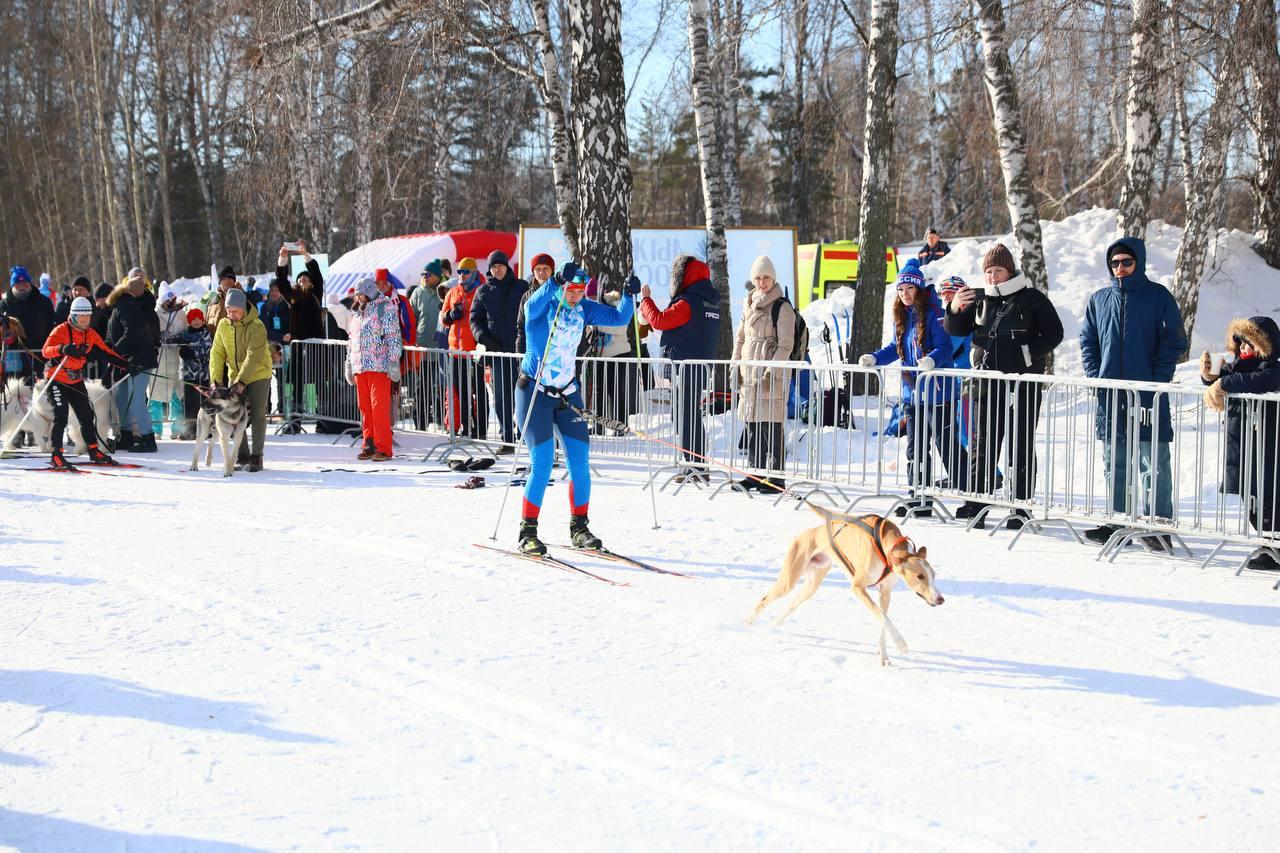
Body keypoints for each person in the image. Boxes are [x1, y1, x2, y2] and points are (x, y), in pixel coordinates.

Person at [514, 262, 638, 555]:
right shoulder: (542, 308)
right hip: (534, 392)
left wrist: (629, 295)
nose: (576, 296)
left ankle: (579, 528)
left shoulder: (583, 308)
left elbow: (620, 317)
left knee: (580, 464)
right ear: (562, 288)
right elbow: (531, 306)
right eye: (572, 290)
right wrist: (556, 280)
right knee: (543, 464)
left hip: (568, 395)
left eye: (581, 292)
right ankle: (527, 532)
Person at [945, 244, 1063, 528]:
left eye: (998, 270)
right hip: (988, 384)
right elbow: (955, 329)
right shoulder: (981, 299)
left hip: (1023, 383)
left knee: (1021, 443)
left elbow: (1054, 332)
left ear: (1010, 271)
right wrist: (954, 308)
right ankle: (976, 503)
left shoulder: (1032, 298)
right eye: (988, 271)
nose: (993, 276)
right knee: (982, 443)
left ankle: (1020, 507)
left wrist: (1028, 355)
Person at [1079, 236, 1186, 548]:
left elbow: (1174, 341)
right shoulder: (1099, 299)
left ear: (1139, 262)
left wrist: (1157, 380)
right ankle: (1118, 521)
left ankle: (1158, 526)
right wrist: (1096, 377)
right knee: (1115, 461)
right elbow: (1088, 340)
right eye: (1115, 263)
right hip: (1111, 395)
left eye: (1127, 261)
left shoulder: (1158, 296)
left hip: (1149, 394)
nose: (1120, 268)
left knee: (1154, 462)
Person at [859, 259, 969, 516]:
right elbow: (894, 348)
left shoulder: (934, 313)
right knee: (915, 448)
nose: (905, 293)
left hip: (939, 393)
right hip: (913, 395)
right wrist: (875, 358)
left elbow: (945, 347)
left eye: (909, 288)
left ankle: (971, 496)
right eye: (900, 289)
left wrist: (931, 360)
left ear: (919, 288)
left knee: (946, 445)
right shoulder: (902, 316)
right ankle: (918, 498)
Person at [1202, 317, 1280, 569]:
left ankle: (1274, 546)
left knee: (1269, 498)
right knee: (1251, 497)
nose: (1243, 348)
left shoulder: (1272, 368)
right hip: (1242, 443)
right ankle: (1268, 544)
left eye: (1249, 343)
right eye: (1241, 343)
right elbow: (1224, 378)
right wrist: (1210, 375)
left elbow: (1263, 379)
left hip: (1267, 444)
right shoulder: (1238, 366)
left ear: (1263, 346)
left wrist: (1224, 383)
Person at [638, 254, 722, 483]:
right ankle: (695, 464)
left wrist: (646, 300)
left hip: (686, 366)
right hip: (699, 365)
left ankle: (695, 466)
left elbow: (659, 320)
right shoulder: (711, 301)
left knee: (685, 416)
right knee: (688, 414)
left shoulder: (688, 302)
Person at [39, 297, 132, 470]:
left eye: (87, 316)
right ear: (73, 315)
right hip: (56, 377)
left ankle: (94, 450)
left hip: (74, 379)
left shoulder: (90, 334)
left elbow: (106, 352)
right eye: (81, 316)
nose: (84, 320)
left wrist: (125, 364)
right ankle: (56, 454)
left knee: (86, 415)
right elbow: (45, 351)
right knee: (61, 416)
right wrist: (62, 348)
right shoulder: (60, 330)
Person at [731, 255, 795, 492]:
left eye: (766, 277)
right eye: (757, 278)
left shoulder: (782, 307)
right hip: (749, 372)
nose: (761, 282)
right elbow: (740, 338)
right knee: (752, 424)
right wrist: (734, 364)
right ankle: (755, 473)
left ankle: (776, 478)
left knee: (772, 424)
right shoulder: (748, 304)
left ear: (773, 278)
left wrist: (771, 371)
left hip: (771, 374)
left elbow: (785, 345)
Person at [209, 287, 272, 472]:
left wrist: (242, 381)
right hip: (235, 375)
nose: (231, 315)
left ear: (244, 309)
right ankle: (242, 453)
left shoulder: (257, 326)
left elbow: (254, 356)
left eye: (235, 311)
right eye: (229, 311)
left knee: (257, 414)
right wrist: (216, 380)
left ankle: (257, 456)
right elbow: (217, 352)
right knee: (234, 414)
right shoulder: (223, 325)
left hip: (259, 373)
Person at [470, 249, 528, 451]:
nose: (497, 269)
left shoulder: (521, 287)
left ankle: (524, 434)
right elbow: (474, 320)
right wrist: (484, 339)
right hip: (497, 352)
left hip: (521, 351)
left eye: (501, 265)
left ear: (507, 266)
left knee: (523, 395)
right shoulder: (482, 291)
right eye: (494, 266)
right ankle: (507, 438)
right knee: (502, 397)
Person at [343, 277, 403, 461]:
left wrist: (393, 361)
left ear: (370, 292)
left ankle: (383, 447)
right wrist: (349, 363)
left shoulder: (385, 307)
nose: (359, 298)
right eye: (357, 295)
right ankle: (368, 443)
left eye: (362, 294)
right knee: (365, 407)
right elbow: (352, 340)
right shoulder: (357, 313)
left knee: (379, 407)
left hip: (379, 365)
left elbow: (394, 336)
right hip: (360, 366)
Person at [106, 268, 161, 452]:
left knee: (136, 400)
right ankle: (126, 434)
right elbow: (115, 332)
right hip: (127, 359)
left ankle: (147, 437)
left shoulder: (126, 305)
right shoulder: (123, 305)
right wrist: (111, 350)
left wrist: (115, 351)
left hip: (139, 359)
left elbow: (134, 332)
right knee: (122, 398)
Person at [440, 258, 487, 439]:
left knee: (479, 391)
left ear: (474, 272)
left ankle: (480, 428)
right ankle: (466, 427)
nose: (462, 275)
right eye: (459, 272)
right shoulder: (453, 291)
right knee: (461, 391)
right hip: (456, 351)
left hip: (475, 351)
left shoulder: (481, 290)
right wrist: (451, 315)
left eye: (466, 272)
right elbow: (443, 318)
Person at [2, 266, 55, 383]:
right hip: (14, 357)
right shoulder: (4, 305)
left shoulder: (44, 302)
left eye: (25, 283)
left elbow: (52, 327)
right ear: (12, 285)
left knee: (41, 390)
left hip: (40, 355)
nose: (22, 286)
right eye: (18, 283)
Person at [167, 307, 213, 440]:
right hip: (188, 375)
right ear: (189, 321)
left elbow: (207, 350)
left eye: (199, 319)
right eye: (193, 319)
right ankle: (189, 430)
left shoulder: (205, 334)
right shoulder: (186, 333)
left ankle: (204, 429)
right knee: (188, 404)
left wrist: (192, 352)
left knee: (202, 403)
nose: (196, 322)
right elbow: (173, 339)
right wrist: (171, 340)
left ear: (203, 321)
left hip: (202, 375)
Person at [409, 260, 445, 430]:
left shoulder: (444, 290)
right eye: (422, 274)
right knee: (422, 387)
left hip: (441, 347)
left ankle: (442, 422)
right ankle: (420, 424)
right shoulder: (418, 292)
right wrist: (411, 340)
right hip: (423, 346)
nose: (424, 277)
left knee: (442, 387)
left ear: (437, 276)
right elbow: (411, 318)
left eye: (428, 274)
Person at [150, 284, 188, 439]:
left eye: (172, 300)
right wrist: (159, 336)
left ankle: (177, 428)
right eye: (167, 301)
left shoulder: (180, 314)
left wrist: (179, 338)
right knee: (155, 395)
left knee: (176, 395)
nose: (170, 304)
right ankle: (155, 429)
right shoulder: (154, 314)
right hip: (159, 359)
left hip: (175, 359)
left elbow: (185, 331)